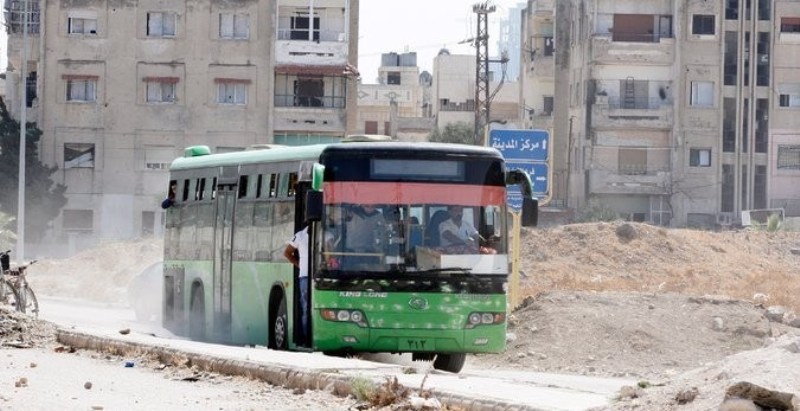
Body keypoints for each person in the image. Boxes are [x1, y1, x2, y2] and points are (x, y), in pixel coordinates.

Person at [283, 225, 309, 341]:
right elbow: (287, 253)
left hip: (312, 276)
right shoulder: (300, 235)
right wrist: (299, 264)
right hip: (304, 277)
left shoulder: (327, 234)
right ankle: (306, 337)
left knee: (308, 307)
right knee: (306, 307)